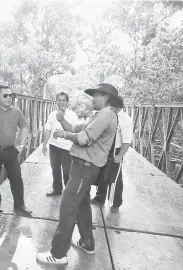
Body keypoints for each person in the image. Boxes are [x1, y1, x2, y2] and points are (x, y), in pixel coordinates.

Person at [36, 83, 123, 265]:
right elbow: (77, 128)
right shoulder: (101, 115)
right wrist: (64, 124)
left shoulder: (106, 115)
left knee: (68, 208)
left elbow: (83, 138)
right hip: (83, 168)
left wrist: (64, 134)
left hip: (84, 168)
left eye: (96, 95)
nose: (92, 98)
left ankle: (58, 254)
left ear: (106, 97)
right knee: (82, 205)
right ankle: (87, 242)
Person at [0, 85, 32, 215]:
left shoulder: (16, 112)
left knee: (16, 177)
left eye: (11, 95)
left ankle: (19, 205)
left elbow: (25, 128)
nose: (9, 98)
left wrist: (21, 146)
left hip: (10, 150)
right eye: (6, 95)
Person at [90, 100, 133, 213]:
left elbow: (127, 141)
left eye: (113, 106)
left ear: (119, 107)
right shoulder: (109, 115)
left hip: (116, 150)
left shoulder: (125, 120)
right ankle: (100, 198)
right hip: (105, 147)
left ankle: (115, 203)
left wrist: (119, 156)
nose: (111, 108)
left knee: (115, 178)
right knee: (102, 172)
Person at [42, 92, 79, 196]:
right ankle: (57, 190)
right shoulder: (52, 115)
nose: (61, 102)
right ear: (56, 101)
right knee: (55, 169)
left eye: (64, 100)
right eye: (59, 100)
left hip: (67, 148)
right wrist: (44, 144)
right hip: (53, 146)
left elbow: (75, 132)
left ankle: (68, 193)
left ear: (67, 102)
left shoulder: (72, 115)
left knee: (67, 171)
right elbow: (48, 130)